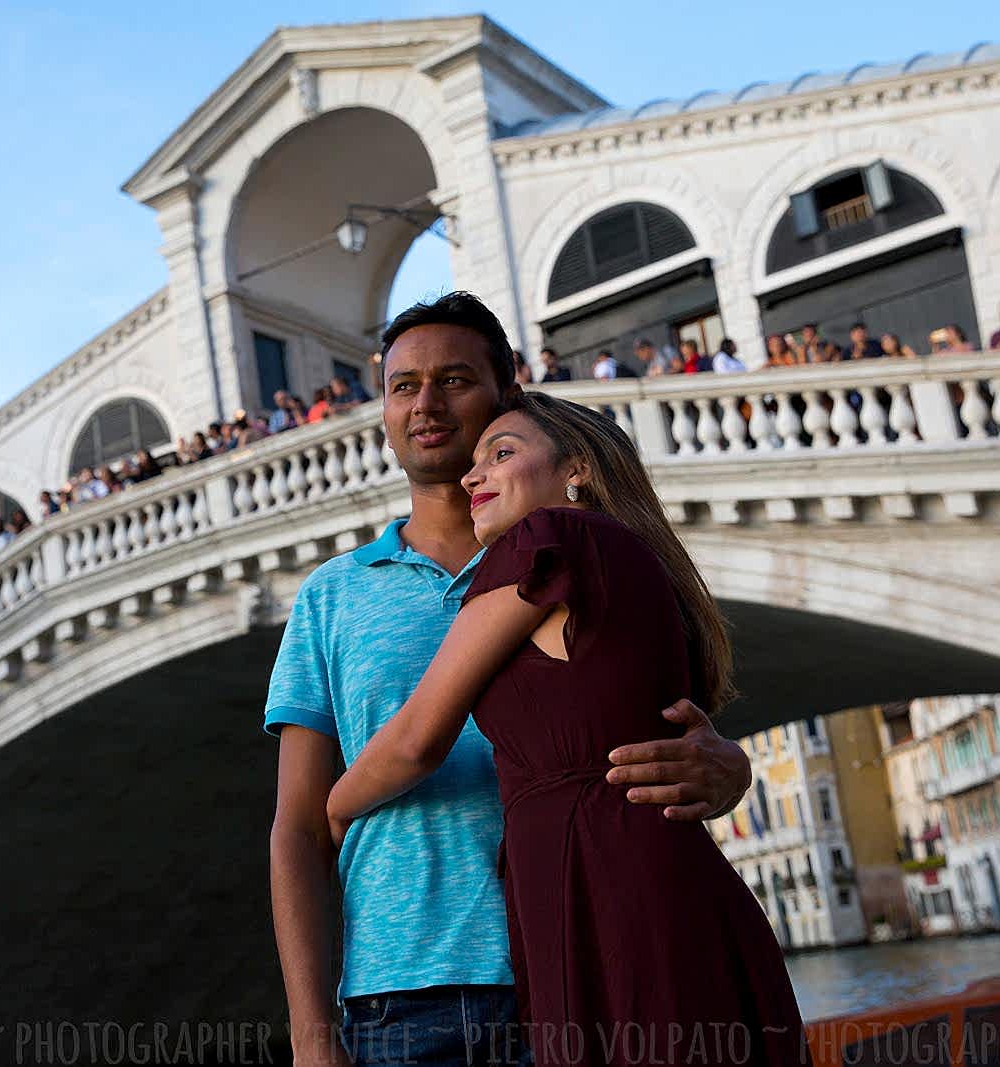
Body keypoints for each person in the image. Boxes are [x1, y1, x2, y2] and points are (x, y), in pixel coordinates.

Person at [265, 292, 753, 1067]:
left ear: (508, 392)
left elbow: (647, 714)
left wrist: (731, 765)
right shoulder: (333, 596)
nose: (425, 404)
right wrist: (310, 1035)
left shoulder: (575, 556)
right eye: (402, 386)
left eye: (454, 380)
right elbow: (296, 827)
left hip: (579, 963)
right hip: (406, 992)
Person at [325, 389, 807, 1067]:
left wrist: (336, 807)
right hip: (652, 879)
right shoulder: (633, 561)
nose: (472, 474)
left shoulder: (547, 538)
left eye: (503, 453)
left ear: (576, 467)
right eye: (475, 461)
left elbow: (416, 738)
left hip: (602, 889)